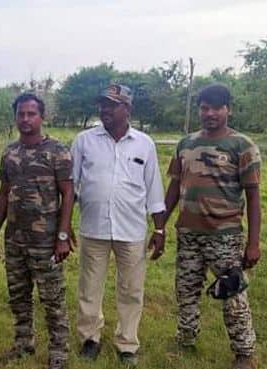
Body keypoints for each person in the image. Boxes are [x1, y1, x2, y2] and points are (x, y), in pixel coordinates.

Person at [161, 83, 261, 369]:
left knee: (233, 295)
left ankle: (244, 353)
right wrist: (160, 225)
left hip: (224, 236)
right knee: (186, 290)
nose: (210, 113)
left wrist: (253, 243)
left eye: (217, 108)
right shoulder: (186, 144)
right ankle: (186, 338)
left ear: (228, 109)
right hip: (188, 235)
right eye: (205, 108)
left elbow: (253, 197)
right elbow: (175, 185)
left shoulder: (241, 145)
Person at [71, 84, 166, 367]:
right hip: (93, 227)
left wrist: (159, 229)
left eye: (112, 105)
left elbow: (154, 189)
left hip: (132, 230)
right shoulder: (84, 141)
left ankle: (127, 343)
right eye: (102, 104)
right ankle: (90, 338)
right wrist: (63, 226)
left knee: (131, 289)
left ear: (128, 109)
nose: (105, 110)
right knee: (89, 287)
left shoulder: (144, 143)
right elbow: (70, 187)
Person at [0, 93, 75, 369]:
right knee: (19, 295)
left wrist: (62, 236)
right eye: (21, 114)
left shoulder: (57, 151)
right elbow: (3, 195)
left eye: (31, 114)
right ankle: (23, 343)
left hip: (46, 241)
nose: (25, 119)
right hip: (15, 239)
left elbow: (68, 194)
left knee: (52, 297)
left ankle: (59, 350)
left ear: (42, 116)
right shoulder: (10, 152)